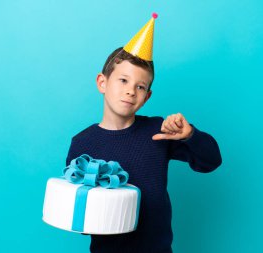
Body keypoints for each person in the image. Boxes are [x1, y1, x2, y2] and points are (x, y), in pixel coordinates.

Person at [65, 14, 222, 253]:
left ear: (147, 96)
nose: (130, 91)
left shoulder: (158, 131)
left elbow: (211, 161)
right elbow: (79, 217)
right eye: (123, 80)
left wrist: (190, 135)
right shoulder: (82, 143)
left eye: (140, 86)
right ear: (102, 82)